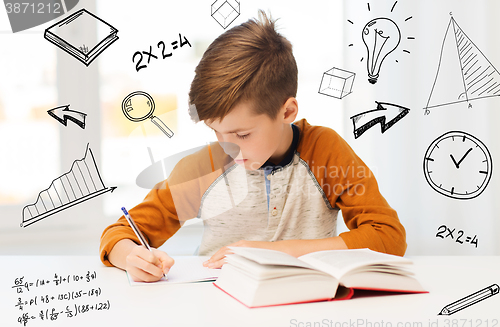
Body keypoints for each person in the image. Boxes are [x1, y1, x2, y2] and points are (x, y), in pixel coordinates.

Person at [99, 10, 406, 282]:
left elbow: (388, 237)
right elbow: (118, 235)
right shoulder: (205, 167)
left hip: (310, 303)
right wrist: (131, 257)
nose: (228, 146)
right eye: (216, 131)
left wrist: (274, 252)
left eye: (242, 135)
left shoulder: (325, 151)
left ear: (286, 112)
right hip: (218, 307)